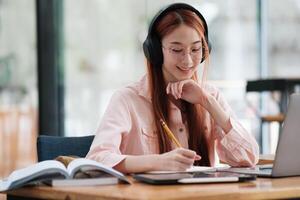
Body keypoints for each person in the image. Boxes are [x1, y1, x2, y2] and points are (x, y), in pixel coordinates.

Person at [86, 3, 259, 173]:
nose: (188, 61)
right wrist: (158, 162)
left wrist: (208, 102)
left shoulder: (210, 95)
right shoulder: (127, 99)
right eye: (177, 50)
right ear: (155, 50)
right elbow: (96, 159)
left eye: (196, 49)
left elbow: (249, 158)